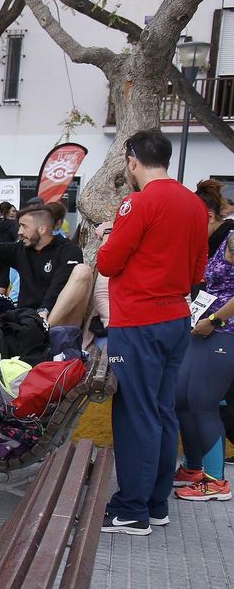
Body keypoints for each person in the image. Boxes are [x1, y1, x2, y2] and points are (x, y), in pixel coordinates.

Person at [96, 129, 208, 534]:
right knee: (162, 412)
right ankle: (156, 502)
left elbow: (108, 263)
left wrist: (107, 234)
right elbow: (198, 272)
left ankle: (131, 508)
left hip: (138, 320)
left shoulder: (137, 203)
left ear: (132, 161)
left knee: (135, 414)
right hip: (177, 318)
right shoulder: (195, 205)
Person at [173, 224, 234, 502]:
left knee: (203, 405)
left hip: (223, 331)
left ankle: (216, 481)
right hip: (203, 329)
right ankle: (194, 468)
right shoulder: (222, 239)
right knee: (182, 400)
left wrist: (215, 320)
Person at [0, 202, 91, 326]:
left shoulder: (68, 250)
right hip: (26, 320)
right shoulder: (21, 250)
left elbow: (59, 283)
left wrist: (44, 311)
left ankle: (43, 328)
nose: (19, 231)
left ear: (43, 229)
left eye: (24, 226)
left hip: (59, 320)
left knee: (83, 271)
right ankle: (38, 328)